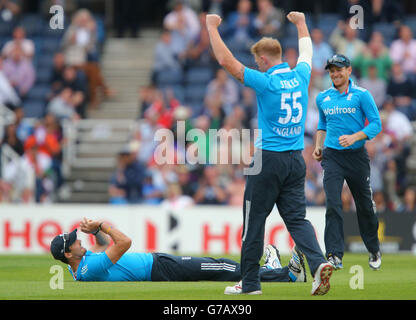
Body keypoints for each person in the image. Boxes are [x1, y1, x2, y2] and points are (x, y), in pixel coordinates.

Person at [206, 12, 333, 296]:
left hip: (267, 160)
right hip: (295, 160)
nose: (257, 66)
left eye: (257, 62)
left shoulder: (266, 82)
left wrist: (211, 27)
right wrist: (301, 24)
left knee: (254, 222)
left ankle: (250, 285)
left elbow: (227, 62)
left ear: (263, 59)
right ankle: (318, 263)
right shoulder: (301, 76)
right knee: (297, 220)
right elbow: (307, 51)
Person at [50, 217, 307, 284]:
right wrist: (103, 225)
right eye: (74, 241)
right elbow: (124, 243)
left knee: (219, 267)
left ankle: (271, 271)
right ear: (68, 254)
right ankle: (286, 274)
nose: (78, 240)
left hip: (157, 265)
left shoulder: (81, 268)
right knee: (220, 267)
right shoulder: (89, 268)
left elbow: (107, 250)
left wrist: (95, 233)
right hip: (159, 268)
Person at [312, 53, 383, 271]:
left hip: (356, 157)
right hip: (332, 156)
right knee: (333, 203)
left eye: (339, 69)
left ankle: (373, 249)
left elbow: (376, 124)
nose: (335, 74)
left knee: (364, 206)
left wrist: (355, 137)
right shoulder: (323, 97)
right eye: (332, 70)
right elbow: (323, 124)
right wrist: (318, 145)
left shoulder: (362, 95)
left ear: (349, 70)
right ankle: (334, 255)